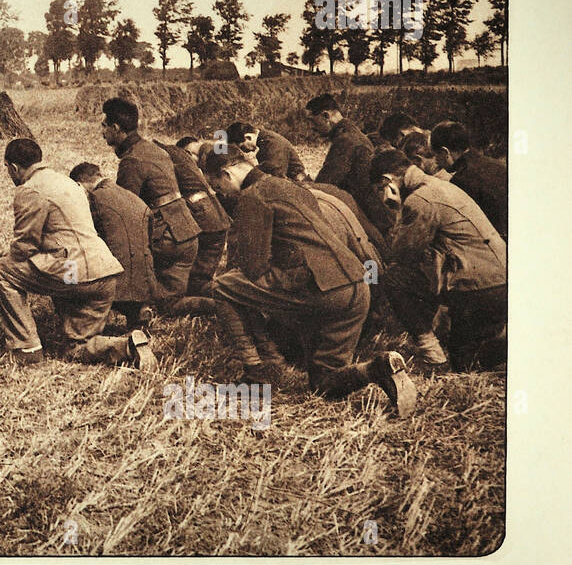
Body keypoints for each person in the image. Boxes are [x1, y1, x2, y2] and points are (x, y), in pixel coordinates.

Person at [203, 144, 416, 416]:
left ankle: (257, 371)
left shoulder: (253, 196)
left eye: (218, 187)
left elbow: (254, 267)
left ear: (226, 174)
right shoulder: (292, 187)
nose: (222, 194)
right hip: (357, 285)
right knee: (324, 383)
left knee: (223, 286)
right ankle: (378, 368)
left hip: (321, 288)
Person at [0, 139, 150, 365]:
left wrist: (5, 256)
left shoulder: (30, 190)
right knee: (76, 348)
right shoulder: (69, 182)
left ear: (13, 167)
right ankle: (127, 347)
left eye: (7, 169)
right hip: (106, 275)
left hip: (76, 275)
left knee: (0, 270)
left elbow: (25, 246)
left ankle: (26, 348)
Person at [370, 149, 507, 373]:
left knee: (393, 278)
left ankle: (432, 353)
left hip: (481, 288)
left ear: (387, 181)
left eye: (378, 190)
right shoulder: (439, 185)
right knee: (463, 351)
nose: (379, 196)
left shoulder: (420, 200)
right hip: (496, 279)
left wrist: (396, 211)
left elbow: (403, 255)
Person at [100, 97, 211, 315]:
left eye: (104, 126)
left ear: (115, 128)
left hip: (167, 241)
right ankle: (228, 295)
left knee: (164, 305)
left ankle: (226, 304)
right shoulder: (153, 149)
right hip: (187, 233)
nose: (101, 132)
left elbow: (125, 214)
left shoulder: (131, 161)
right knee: (176, 296)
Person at [69, 162, 159, 329]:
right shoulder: (134, 197)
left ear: (79, 184)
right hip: (144, 278)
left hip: (117, 278)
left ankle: (104, 314)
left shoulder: (96, 198)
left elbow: (88, 239)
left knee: (71, 276)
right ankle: (139, 310)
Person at [305, 93, 391, 232]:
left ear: (326, 116)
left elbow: (325, 184)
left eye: (312, 121)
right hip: (368, 210)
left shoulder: (345, 140)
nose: (311, 127)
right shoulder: (351, 132)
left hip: (365, 215)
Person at [159, 136, 231, 298]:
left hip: (213, 212)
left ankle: (231, 295)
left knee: (199, 283)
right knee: (199, 282)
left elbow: (224, 159)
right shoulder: (200, 153)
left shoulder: (208, 150)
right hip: (218, 214)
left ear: (189, 151)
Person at [429, 121, 507, 239]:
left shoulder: (461, 180)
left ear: (445, 152)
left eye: (435, 155)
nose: (435, 161)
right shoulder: (497, 165)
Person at [226, 121, 307, 181]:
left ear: (248, 137)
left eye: (242, 147)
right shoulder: (263, 140)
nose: (244, 151)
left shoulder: (273, 144)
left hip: (299, 184)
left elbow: (275, 176)